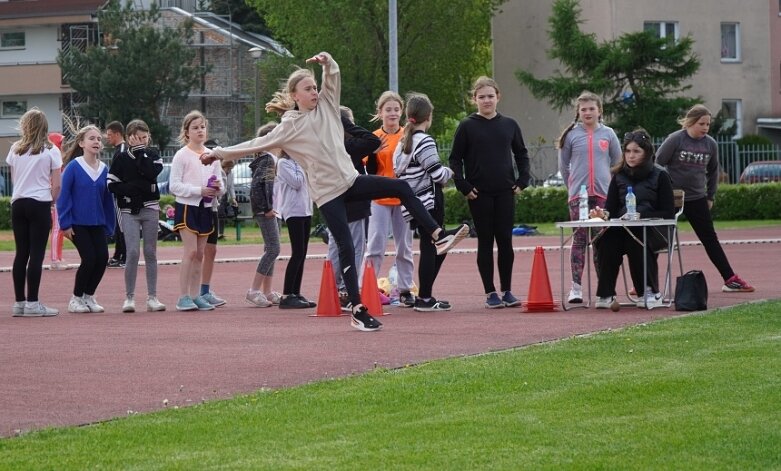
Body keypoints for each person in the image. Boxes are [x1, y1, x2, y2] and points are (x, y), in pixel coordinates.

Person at [202, 52, 469, 331]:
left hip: (351, 181)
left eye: (315, 87)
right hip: (328, 195)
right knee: (345, 246)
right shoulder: (288, 127)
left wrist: (329, 64)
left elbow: (333, 81)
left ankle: (438, 235)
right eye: (308, 89)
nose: (315, 92)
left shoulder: (328, 107)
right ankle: (357, 308)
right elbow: (257, 142)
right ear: (295, 95)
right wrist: (218, 153)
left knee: (400, 186)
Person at [448, 76, 530, 309]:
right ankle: (490, 292)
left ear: (498, 97)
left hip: (505, 192)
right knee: (485, 241)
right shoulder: (467, 126)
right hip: (479, 194)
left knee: (505, 240)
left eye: (490, 96)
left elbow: (522, 154)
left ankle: (507, 290)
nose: (486, 100)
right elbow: (455, 159)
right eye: (481, 97)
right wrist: (463, 186)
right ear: (474, 99)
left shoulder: (510, 125)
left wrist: (522, 181)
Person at [656, 104, 754, 293]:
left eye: (708, 124)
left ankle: (730, 279)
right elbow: (658, 165)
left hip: (696, 198)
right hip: (672, 197)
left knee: (710, 238)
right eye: (702, 123)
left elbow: (713, 170)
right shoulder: (675, 139)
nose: (705, 128)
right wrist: (661, 191)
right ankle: (643, 282)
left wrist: (710, 195)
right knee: (658, 238)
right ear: (691, 122)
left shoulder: (710, 144)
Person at [590, 128, 675, 309]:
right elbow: (611, 211)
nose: (631, 155)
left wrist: (641, 216)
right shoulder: (619, 176)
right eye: (627, 151)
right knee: (606, 240)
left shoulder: (661, 175)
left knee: (636, 238)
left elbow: (668, 212)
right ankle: (605, 294)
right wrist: (602, 215)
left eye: (636, 151)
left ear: (647, 153)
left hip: (656, 230)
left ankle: (650, 291)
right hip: (623, 227)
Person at [557, 91, 622, 303]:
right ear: (578, 112)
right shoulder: (571, 135)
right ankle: (576, 288)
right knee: (580, 239)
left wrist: (608, 182)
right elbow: (563, 166)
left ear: (599, 111)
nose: (587, 112)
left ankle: (604, 289)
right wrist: (573, 186)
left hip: (603, 195)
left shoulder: (608, 134)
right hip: (579, 196)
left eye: (591, 109)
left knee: (602, 241)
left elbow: (618, 161)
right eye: (583, 109)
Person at [394, 93, 456, 311]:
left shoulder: (402, 142)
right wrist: (451, 172)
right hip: (429, 199)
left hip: (413, 203)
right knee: (436, 246)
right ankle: (425, 297)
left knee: (432, 246)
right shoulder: (425, 141)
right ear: (428, 116)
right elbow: (437, 174)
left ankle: (425, 295)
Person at [107, 119, 166, 313]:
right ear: (128, 138)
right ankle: (129, 297)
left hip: (150, 209)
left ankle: (152, 297)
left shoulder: (153, 155)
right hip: (129, 211)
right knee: (132, 252)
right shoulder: (121, 158)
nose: (141, 140)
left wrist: (141, 152)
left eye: (144, 137)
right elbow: (111, 185)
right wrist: (130, 190)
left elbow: (150, 173)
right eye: (137, 137)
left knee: (150, 252)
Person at [7, 109, 62, 317]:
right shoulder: (51, 150)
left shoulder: (15, 149)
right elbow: (56, 185)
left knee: (21, 252)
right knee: (36, 254)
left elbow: (14, 178)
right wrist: (51, 201)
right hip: (39, 202)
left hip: (18, 202)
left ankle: (19, 303)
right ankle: (33, 303)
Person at [327, 106, 382, 311]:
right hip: (354, 200)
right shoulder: (351, 144)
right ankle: (349, 291)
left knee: (335, 244)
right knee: (356, 247)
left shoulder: (328, 144)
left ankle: (332, 287)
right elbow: (373, 141)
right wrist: (349, 124)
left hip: (333, 198)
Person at [364, 91, 416, 307]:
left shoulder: (408, 136)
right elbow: (369, 168)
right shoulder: (374, 137)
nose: (393, 113)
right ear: (380, 113)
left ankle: (405, 289)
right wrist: (375, 152)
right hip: (380, 198)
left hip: (402, 198)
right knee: (375, 244)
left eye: (396, 109)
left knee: (404, 245)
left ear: (401, 112)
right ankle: (367, 286)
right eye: (388, 110)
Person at [57, 125, 116, 313]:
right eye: (92, 138)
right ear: (82, 143)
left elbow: (108, 200)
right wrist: (65, 224)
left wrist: (109, 224)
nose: (96, 142)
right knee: (89, 259)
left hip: (97, 223)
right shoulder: (74, 167)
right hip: (77, 224)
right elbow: (64, 196)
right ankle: (76, 299)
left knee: (102, 258)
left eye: (99, 139)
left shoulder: (104, 169)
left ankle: (89, 296)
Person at [169, 110, 224, 311]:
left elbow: (221, 185)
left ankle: (195, 295)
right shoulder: (181, 155)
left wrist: (218, 188)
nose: (200, 130)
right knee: (191, 251)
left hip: (206, 208)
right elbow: (174, 186)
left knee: (201, 253)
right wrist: (198, 190)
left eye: (202, 127)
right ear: (186, 132)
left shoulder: (213, 156)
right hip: (187, 207)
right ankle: (183, 297)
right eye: (195, 127)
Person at [245, 123, 282, 308]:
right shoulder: (267, 160)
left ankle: (267, 291)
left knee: (272, 249)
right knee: (274, 249)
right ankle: (253, 290)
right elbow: (257, 187)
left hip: (272, 210)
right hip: (266, 211)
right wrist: (266, 208)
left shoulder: (271, 159)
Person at [275, 151, 317, 308]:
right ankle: (287, 294)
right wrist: (302, 164)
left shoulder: (299, 162)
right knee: (297, 252)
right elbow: (297, 182)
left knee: (303, 253)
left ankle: (296, 292)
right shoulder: (283, 163)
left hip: (305, 209)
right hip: (293, 211)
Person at [199, 138, 228, 307]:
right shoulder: (191, 159)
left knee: (211, 250)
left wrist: (218, 187)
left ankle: (205, 290)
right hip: (195, 208)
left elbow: (222, 189)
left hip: (212, 209)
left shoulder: (217, 166)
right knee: (196, 252)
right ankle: (192, 292)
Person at [105, 121, 127, 268]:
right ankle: (118, 254)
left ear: (118, 134)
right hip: (119, 193)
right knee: (119, 225)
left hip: (123, 195)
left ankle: (123, 256)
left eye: (110, 135)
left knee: (122, 226)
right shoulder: (119, 150)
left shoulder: (123, 150)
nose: (108, 138)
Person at [47, 132, 70, 271]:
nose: (63, 146)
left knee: (59, 229)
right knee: (57, 228)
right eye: (61, 143)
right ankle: (55, 259)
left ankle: (58, 257)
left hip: (59, 198)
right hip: (55, 199)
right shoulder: (53, 160)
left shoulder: (57, 160)